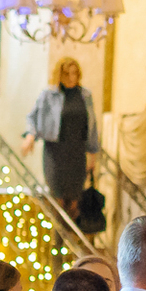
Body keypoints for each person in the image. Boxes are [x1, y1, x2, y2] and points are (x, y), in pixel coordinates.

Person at [21, 56, 101, 220]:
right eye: (67, 74)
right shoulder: (48, 95)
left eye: (74, 73)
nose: (71, 78)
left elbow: (92, 126)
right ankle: (57, 236)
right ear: (59, 74)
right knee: (57, 199)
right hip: (55, 153)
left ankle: (71, 235)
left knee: (75, 200)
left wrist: (92, 154)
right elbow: (33, 117)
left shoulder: (85, 95)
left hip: (77, 153)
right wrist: (30, 136)